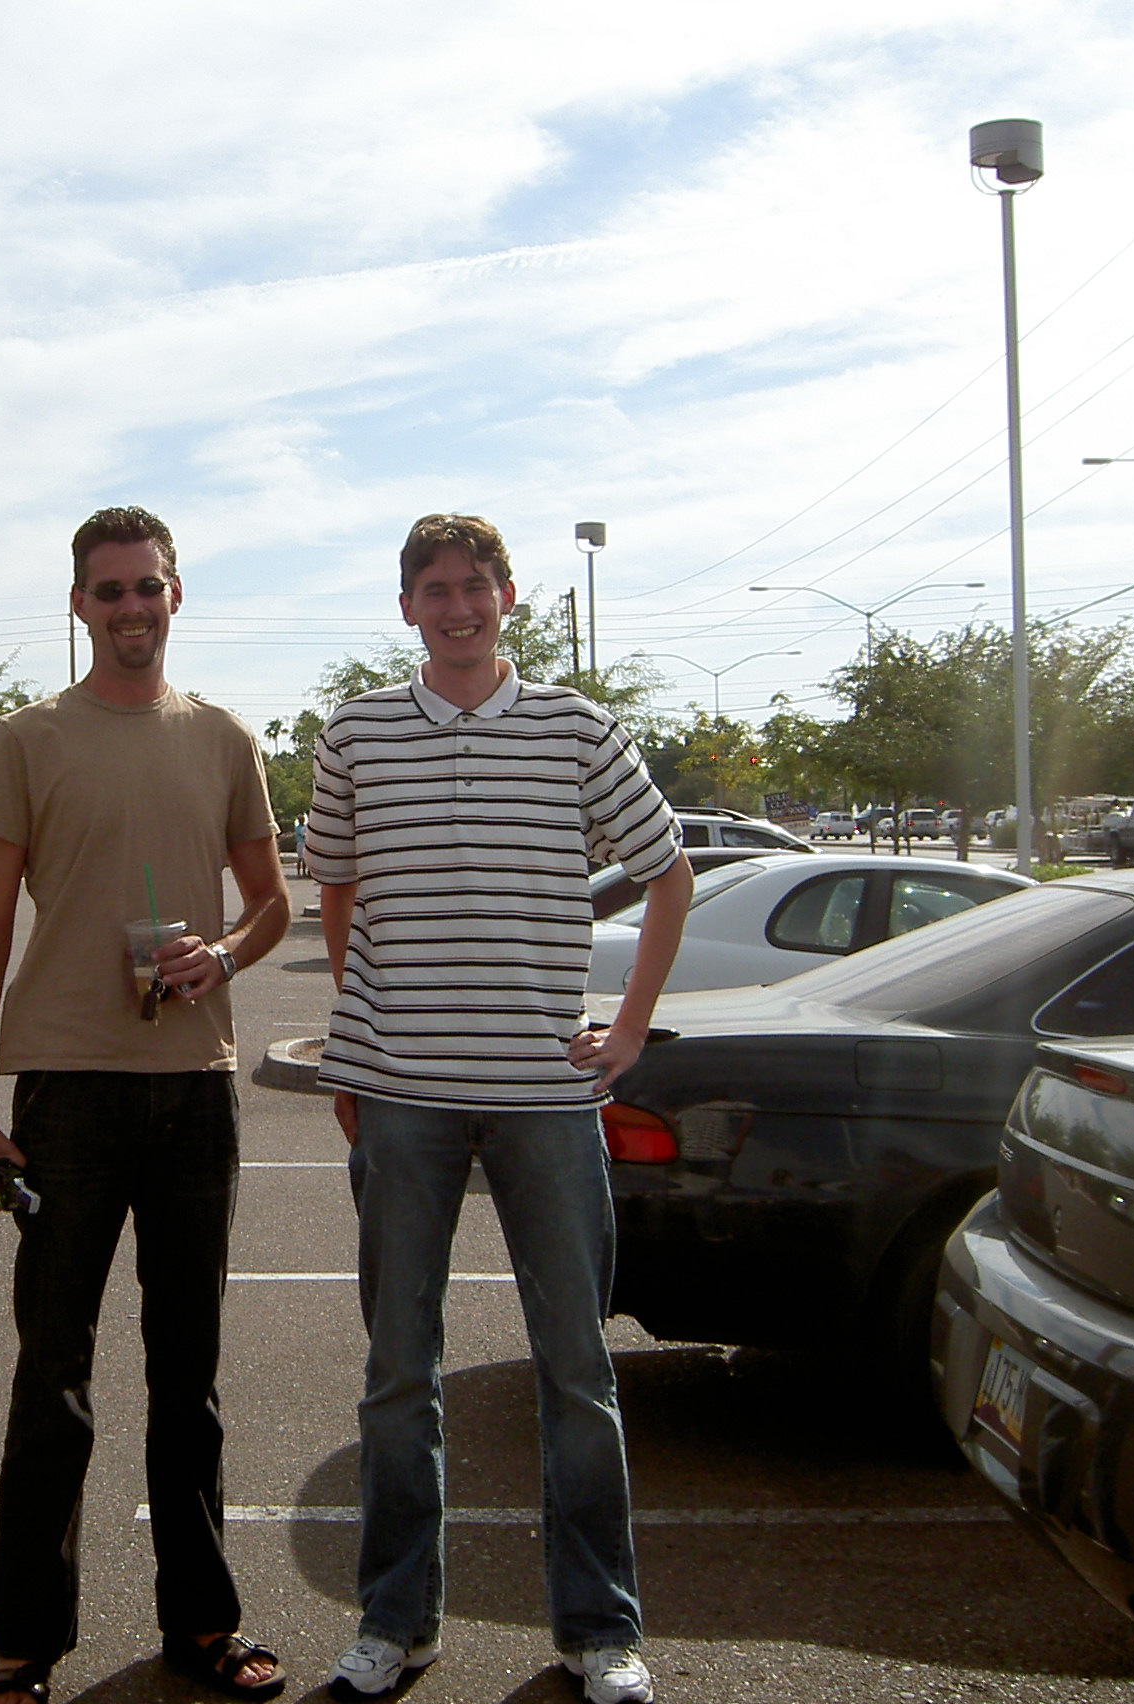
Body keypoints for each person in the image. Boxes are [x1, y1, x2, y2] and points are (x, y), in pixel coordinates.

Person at [306, 514, 692, 1704]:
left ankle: (598, 1630)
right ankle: (395, 1622)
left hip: (544, 1097)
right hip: (401, 1098)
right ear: (406, 607)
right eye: (434, 589)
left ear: (508, 597)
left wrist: (627, 1032)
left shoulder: (576, 728)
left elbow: (669, 873)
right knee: (397, 1371)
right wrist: (357, 1038)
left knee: (575, 1370)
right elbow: (336, 888)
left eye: (474, 585)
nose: (457, 606)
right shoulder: (356, 733)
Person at [0, 506, 294, 1704]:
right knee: (53, 1376)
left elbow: (273, 903)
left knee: (188, 1375)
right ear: (79, 606)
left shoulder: (224, 739)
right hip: (68, 1095)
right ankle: (24, 1648)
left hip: (194, 1091)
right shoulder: (27, 739)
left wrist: (225, 954)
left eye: (148, 587)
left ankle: (201, 1624)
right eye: (109, 591)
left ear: (175, 595)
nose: (131, 608)